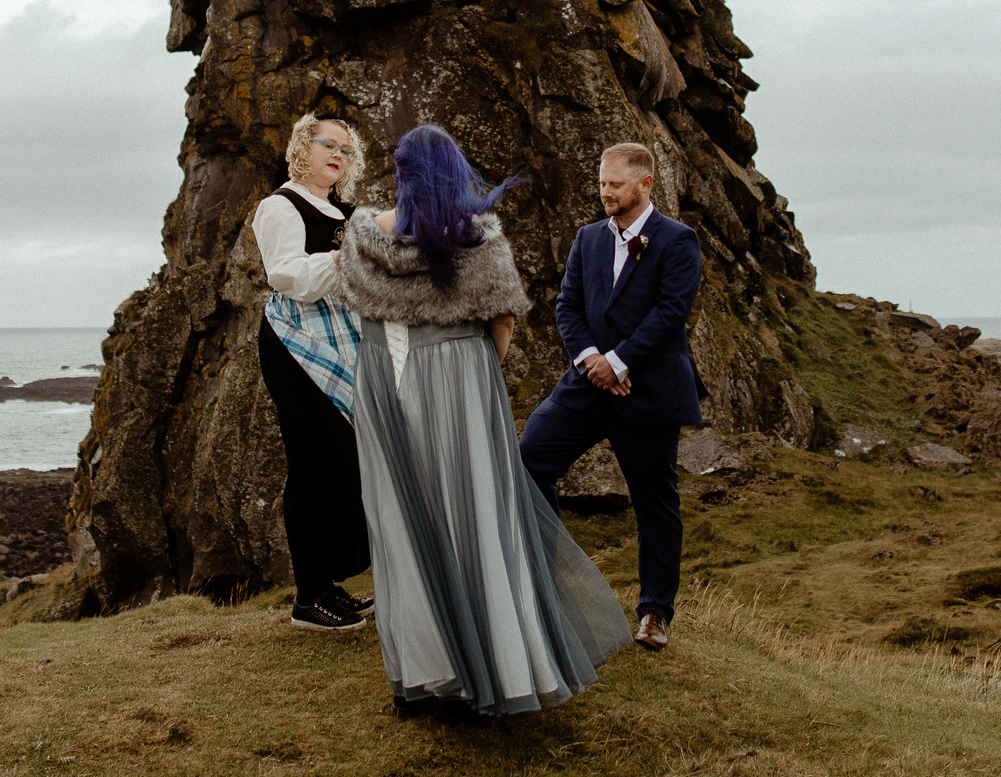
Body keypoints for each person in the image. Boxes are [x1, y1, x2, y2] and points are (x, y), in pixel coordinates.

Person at [337, 125, 632, 718]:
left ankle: (424, 678)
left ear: (401, 173)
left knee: (403, 519)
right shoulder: (480, 238)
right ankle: (495, 666)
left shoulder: (363, 238)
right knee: (478, 515)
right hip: (463, 379)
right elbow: (502, 321)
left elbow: (357, 308)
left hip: (383, 380)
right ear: (455, 171)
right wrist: (474, 370)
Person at [517, 142, 705, 652]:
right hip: (586, 386)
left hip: (648, 394)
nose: (604, 193)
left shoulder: (679, 241)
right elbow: (567, 306)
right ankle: (545, 583)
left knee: (655, 504)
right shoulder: (588, 238)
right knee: (528, 461)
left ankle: (655, 613)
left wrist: (619, 362)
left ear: (645, 185)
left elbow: (670, 314)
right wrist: (591, 362)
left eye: (614, 185)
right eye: (601, 183)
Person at [247, 113, 374, 632]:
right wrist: (346, 258)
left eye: (346, 149)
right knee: (315, 460)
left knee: (347, 461)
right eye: (329, 144)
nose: (339, 154)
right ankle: (308, 598)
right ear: (304, 147)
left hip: (345, 336)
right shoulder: (280, 205)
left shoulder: (344, 209)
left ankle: (329, 584)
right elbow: (288, 275)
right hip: (297, 341)